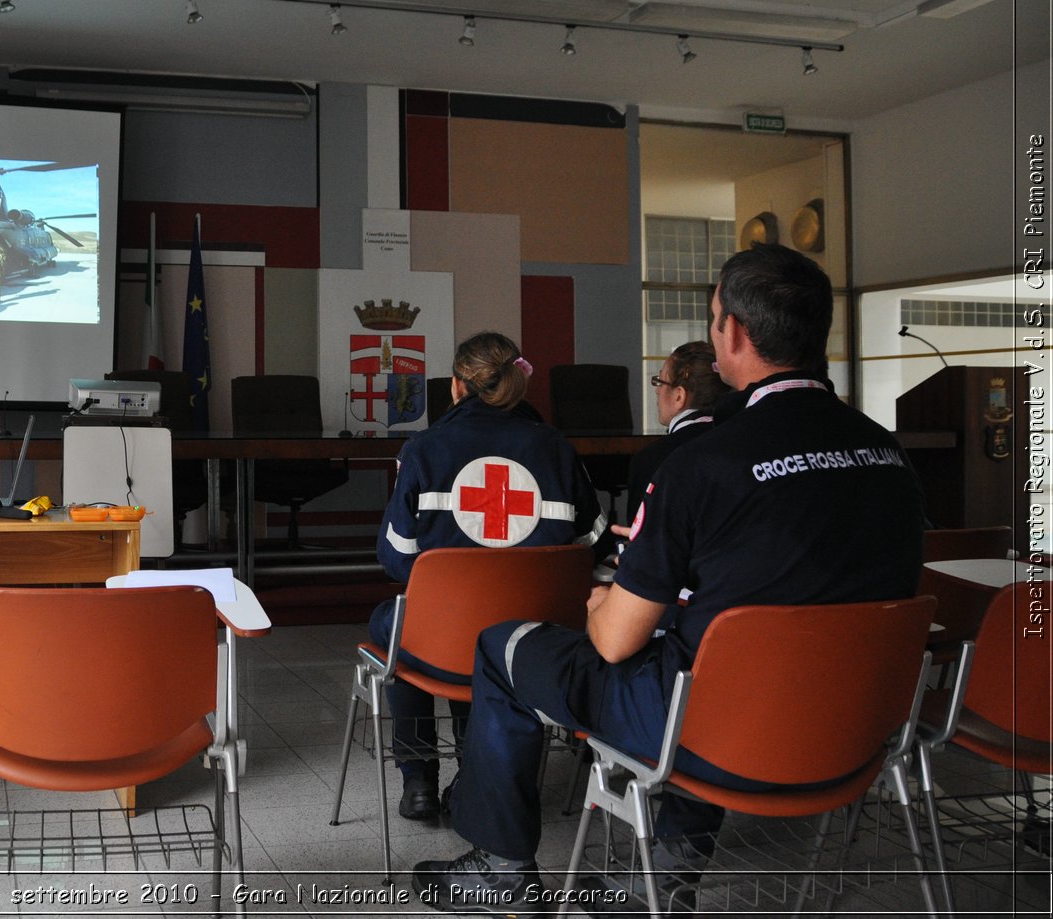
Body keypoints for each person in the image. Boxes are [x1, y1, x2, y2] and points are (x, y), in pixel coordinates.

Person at [412, 245, 926, 913]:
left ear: (733, 333)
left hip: (712, 728)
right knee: (703, 652)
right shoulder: (892, 456)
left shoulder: (700, 465)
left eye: (715, 318)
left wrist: (601, 598)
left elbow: (616, 643)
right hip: (851, 735)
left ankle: (504, 867)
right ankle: (660, 876)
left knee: (505, 647)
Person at [374, 332, 606, 822]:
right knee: (469, 629)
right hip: (534, 639)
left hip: (445, 640)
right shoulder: (557, 449)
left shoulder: (423, 449)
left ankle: (419, 777)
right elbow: (593, 548)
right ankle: (474, 770)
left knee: (403, 621)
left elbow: (396, 559)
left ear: (457, 387)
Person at [624, 340, 724, 522]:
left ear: (679, 396)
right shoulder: (744, 444)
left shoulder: (651, 460)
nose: (657, 391)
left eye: (660, 381)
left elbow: (640, 540)